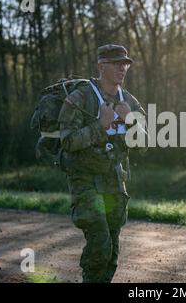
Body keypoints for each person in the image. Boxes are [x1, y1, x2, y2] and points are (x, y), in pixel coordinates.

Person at [58, 44, 147, 283]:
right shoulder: (80, 98)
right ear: (101, 67)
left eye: (125, 63)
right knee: (100, 245)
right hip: (85, 182)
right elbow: (67, 141)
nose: (122, 67)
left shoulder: (128, 100)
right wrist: (100, 126)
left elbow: (144, 144)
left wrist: (130, 121)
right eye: (116, 63)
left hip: (115, 183)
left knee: (112, 254)